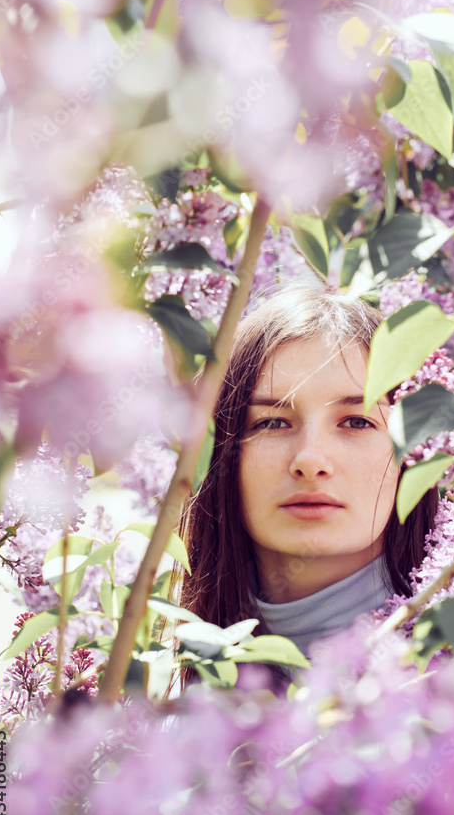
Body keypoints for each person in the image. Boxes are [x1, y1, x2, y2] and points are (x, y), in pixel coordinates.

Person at [176, 285, 437, 688]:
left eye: (356, 421)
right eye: (272, 423)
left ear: (413, 454)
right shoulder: (159, 692)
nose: (310, 460)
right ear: (222, 455)